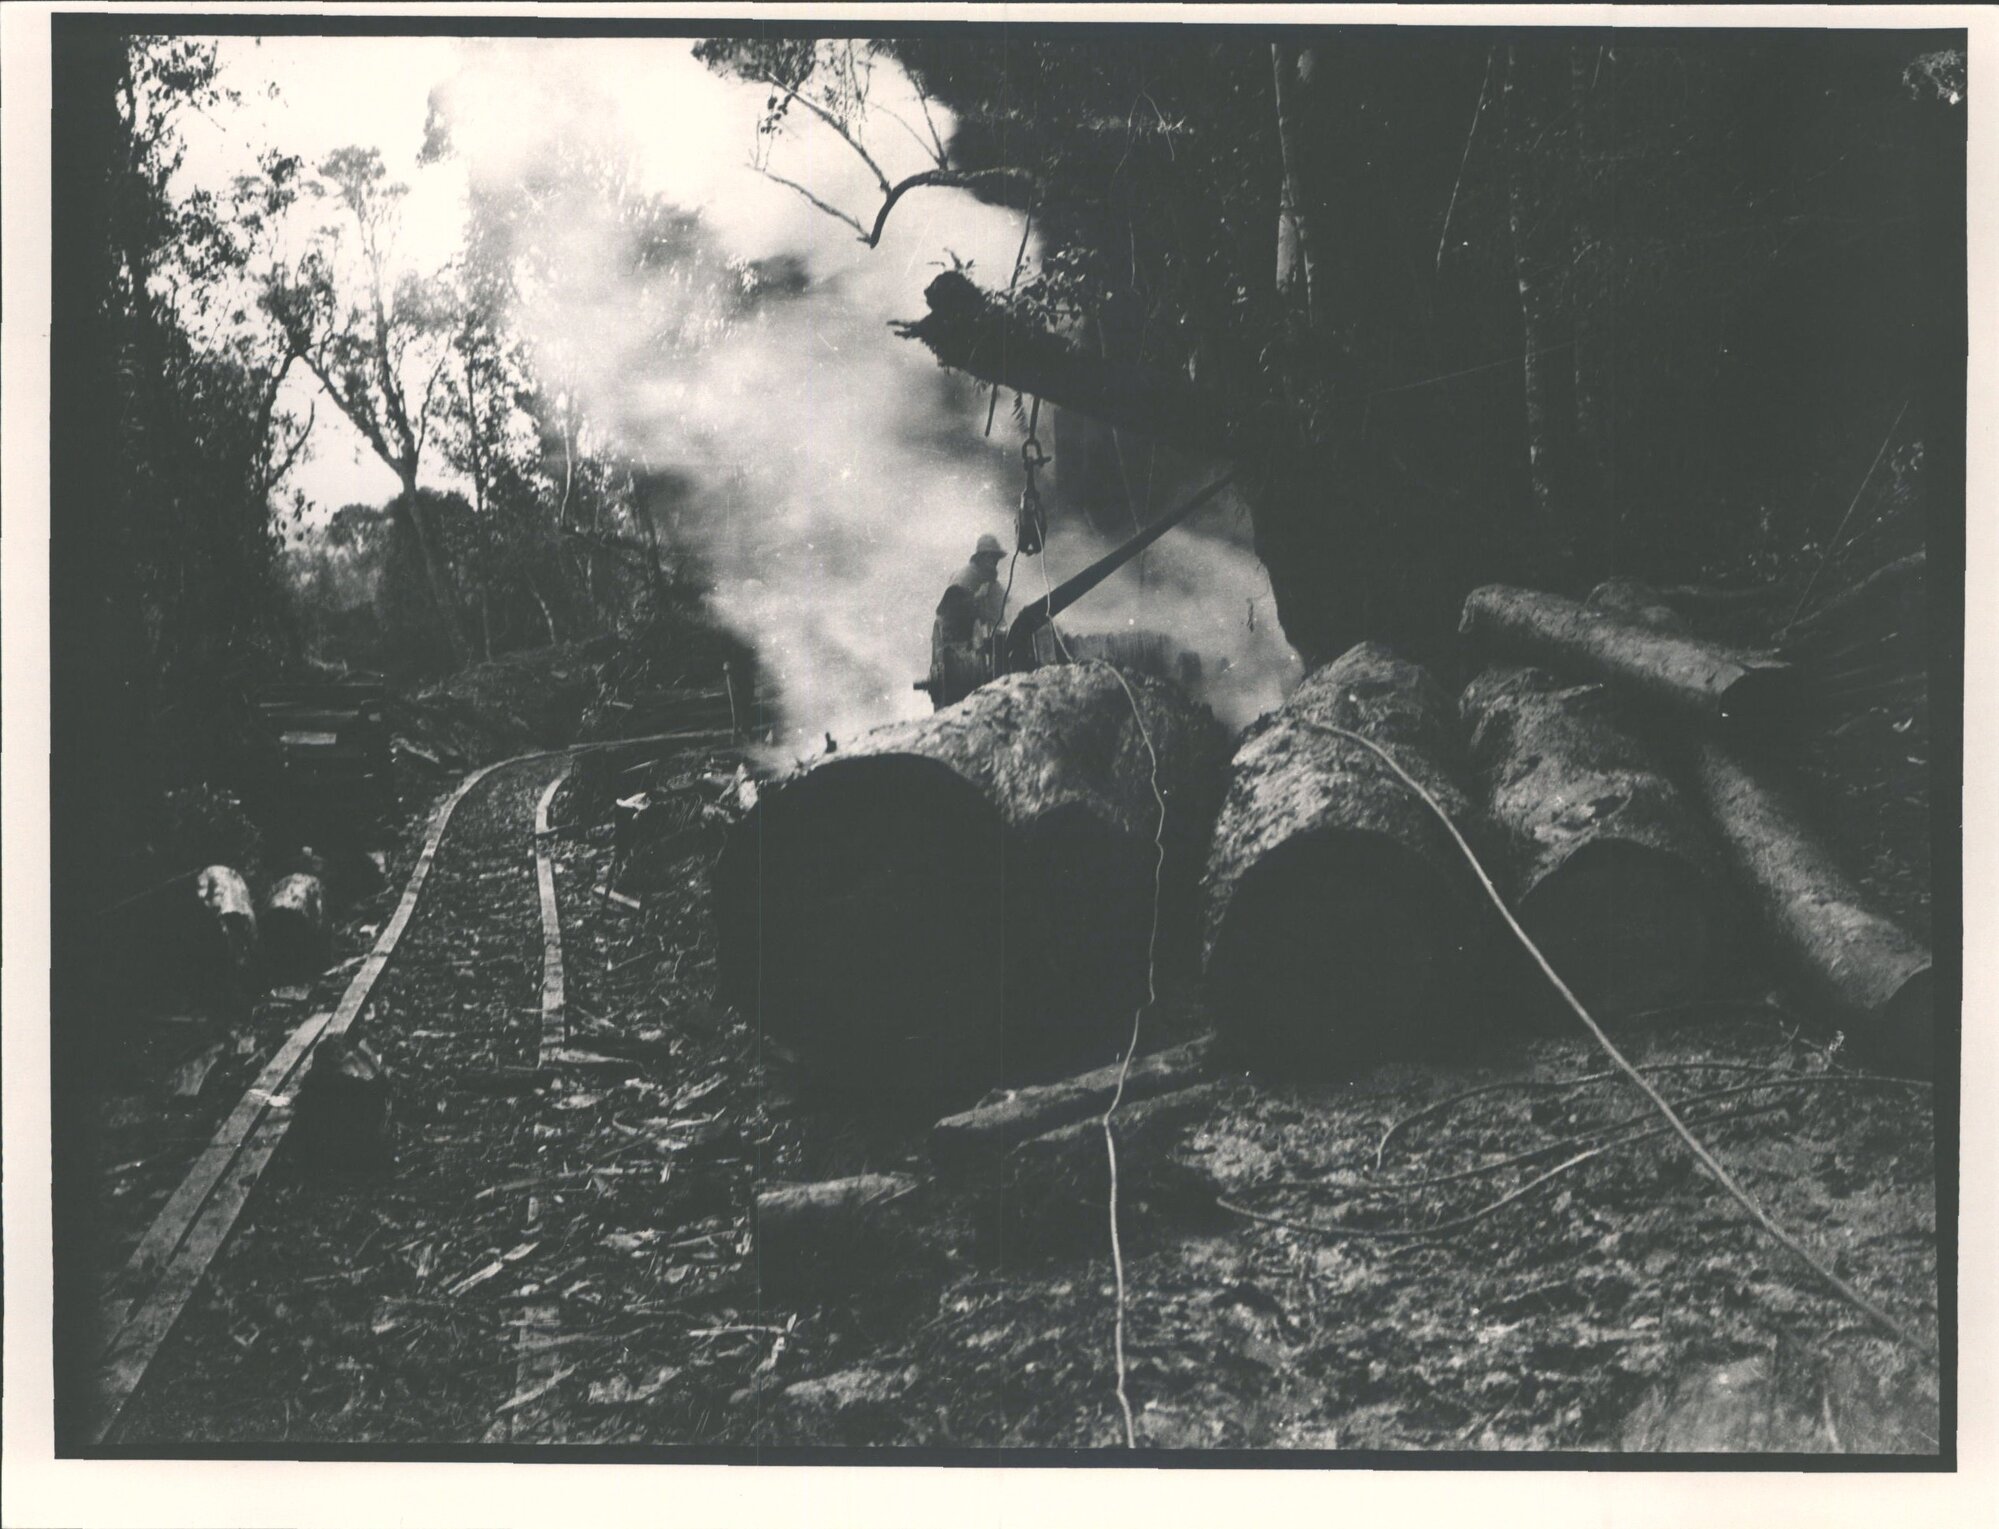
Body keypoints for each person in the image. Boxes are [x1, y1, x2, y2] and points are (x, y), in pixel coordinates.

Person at [927, 533, 1008, 707]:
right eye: (993, 558)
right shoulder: (965, 578)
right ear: (983, 557)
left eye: (997, 559)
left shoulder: (985, 578)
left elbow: (999, 604)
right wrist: (977, 601)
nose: (995, 564)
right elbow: (949, 612)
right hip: (953, 639)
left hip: (970, 636)